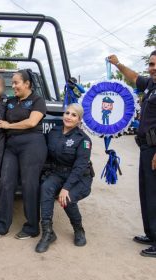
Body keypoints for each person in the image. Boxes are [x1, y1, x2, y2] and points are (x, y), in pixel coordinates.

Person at [0, 69, 47, 241]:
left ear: (27, 83)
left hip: (32, 144)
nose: (12, 86)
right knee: (6, 182)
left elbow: (32, 122)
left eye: (16, 83)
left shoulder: (37, 100)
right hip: (11, 146)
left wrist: (8, 125)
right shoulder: (10, 101)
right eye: (12, 83)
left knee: (29, 184)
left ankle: (32, 228)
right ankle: (0, 226)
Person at [108, 51, 156, 258]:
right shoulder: (152, 85)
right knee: (147, 193)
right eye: (151, 64)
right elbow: (135, 77)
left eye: (155, 64)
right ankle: (151, 233)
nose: (152, 68)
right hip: (146, 147)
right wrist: (118, 63)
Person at [35, 103, 93, 253]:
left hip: (79, 177)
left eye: (74, 115)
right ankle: (48, 233)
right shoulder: (54, 132)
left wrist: (66, 188)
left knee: (67, 199)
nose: (69, 117)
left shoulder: (83, 140)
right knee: (45, 188)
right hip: (58, 173)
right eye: (67, 113)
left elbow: (80, 167)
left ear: (79, 120)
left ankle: (79, 230)